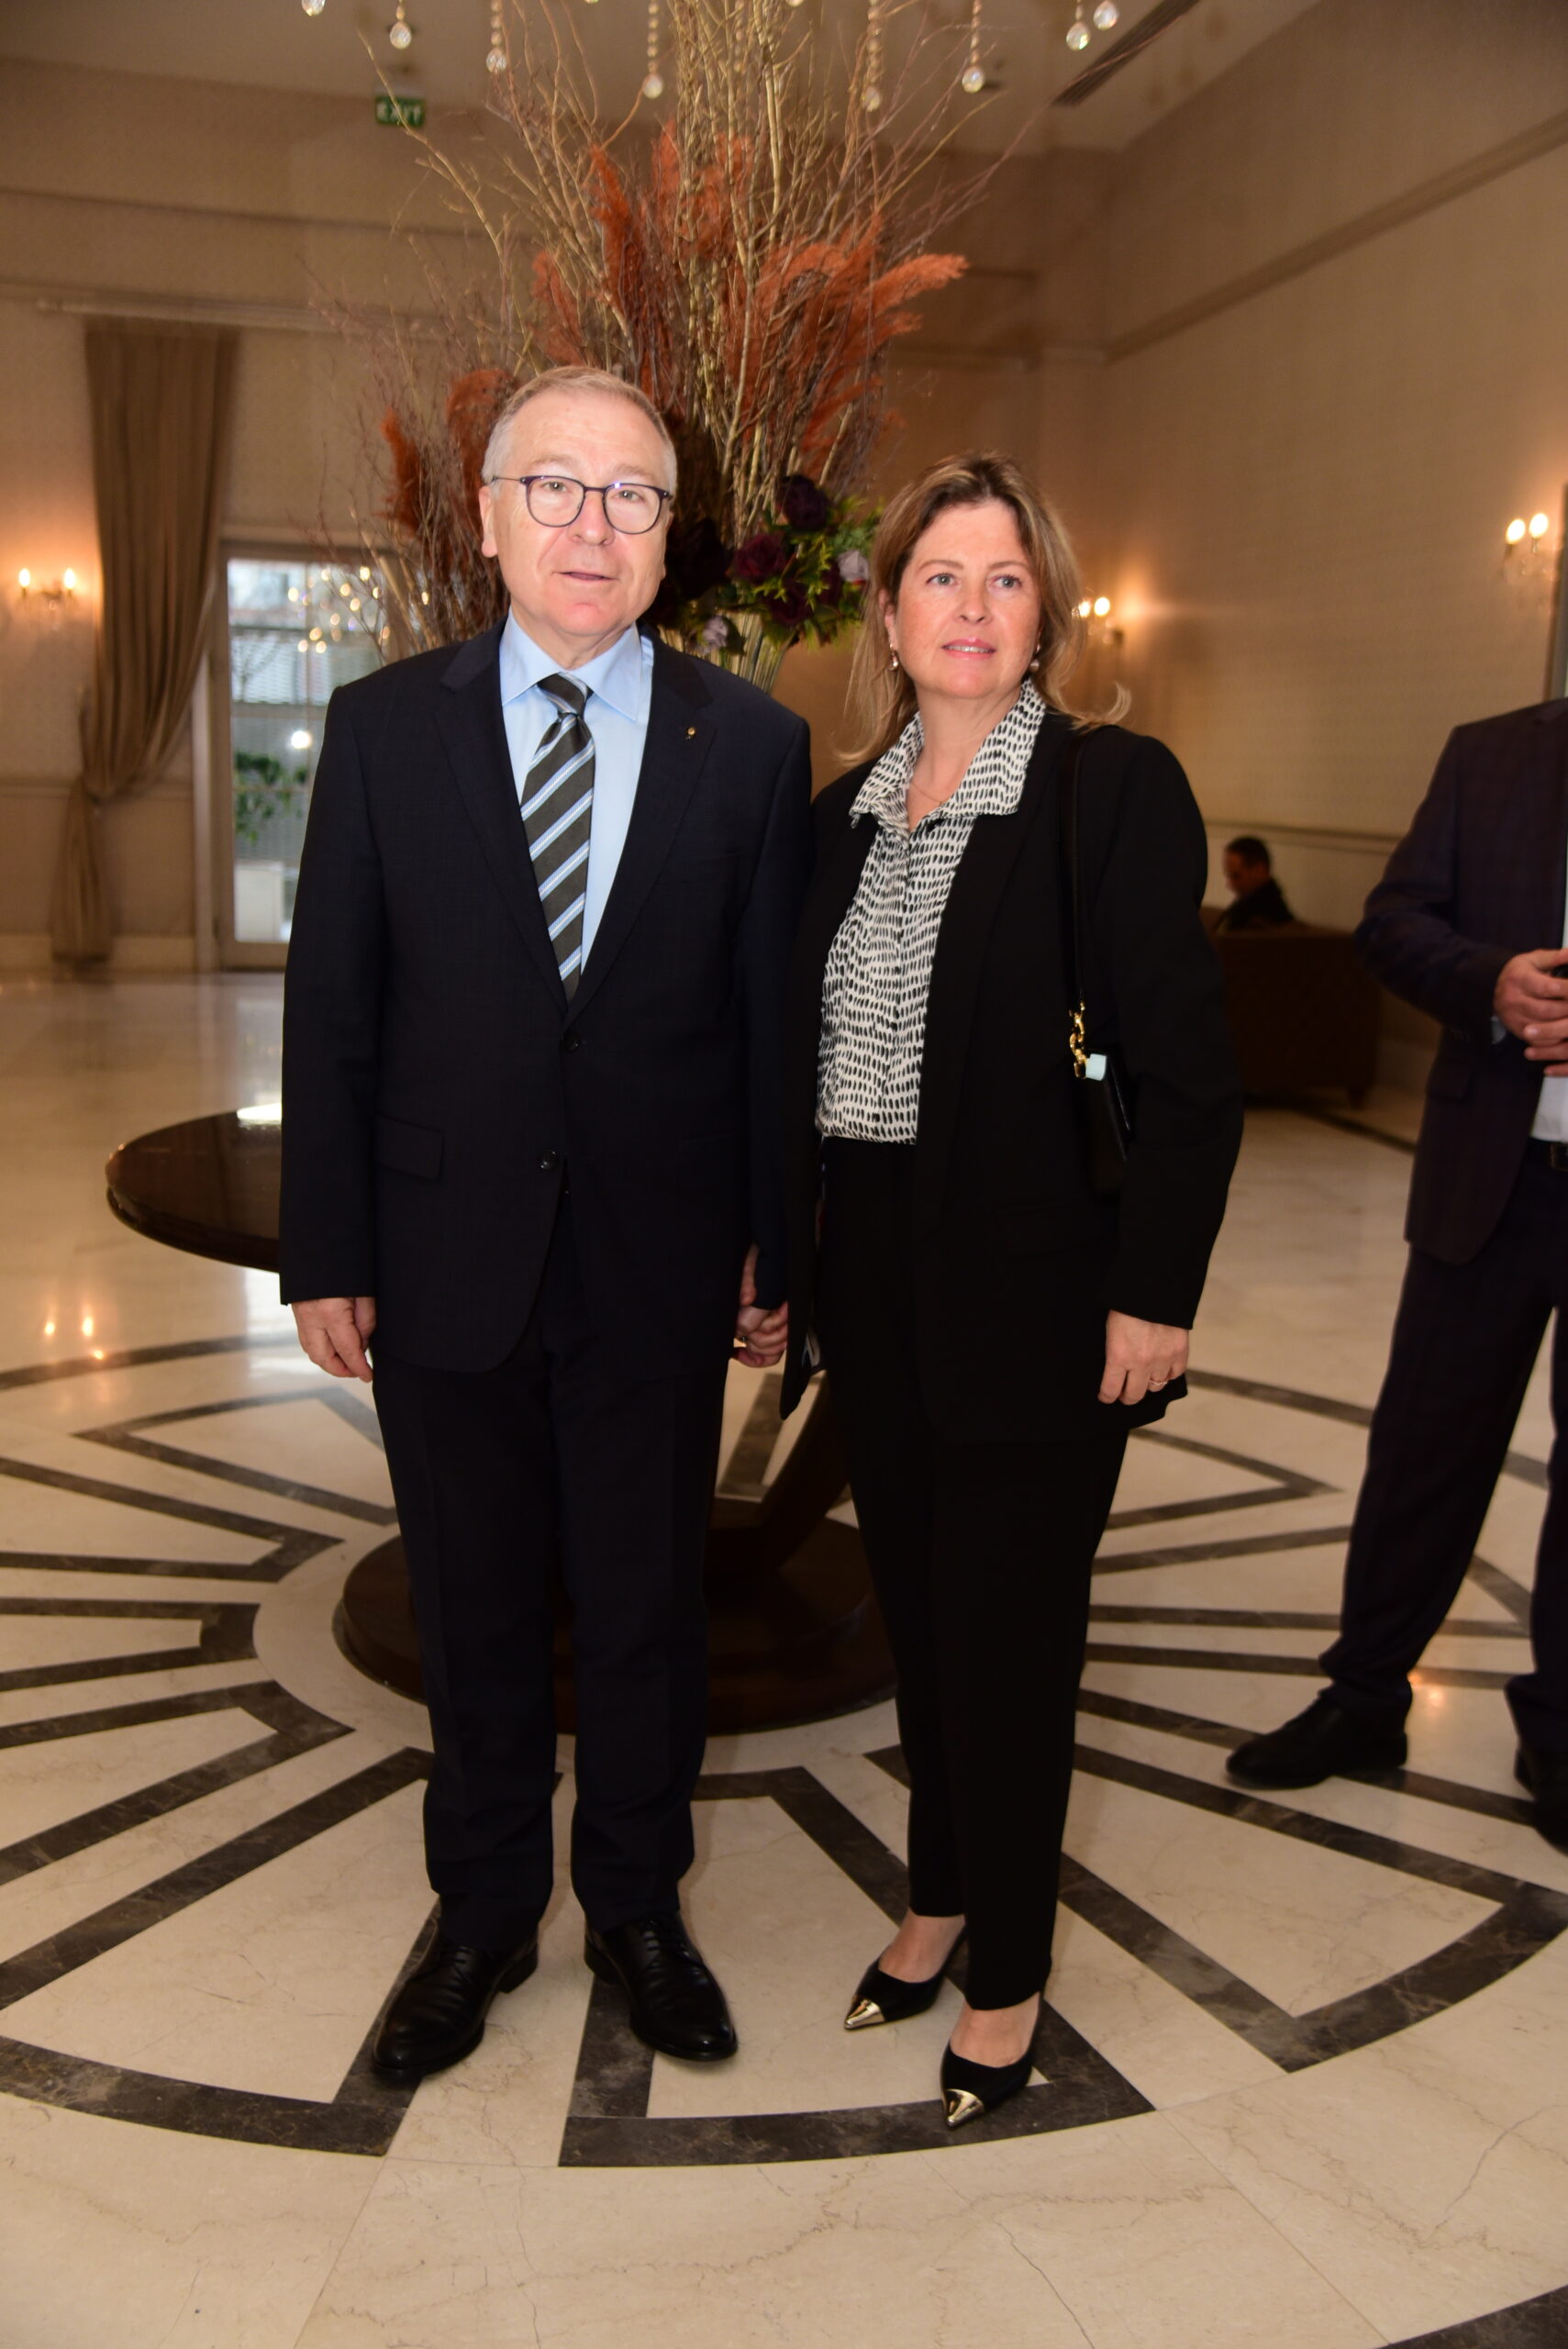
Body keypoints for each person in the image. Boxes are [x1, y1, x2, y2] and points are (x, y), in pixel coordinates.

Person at [280, 366, 811, 2081]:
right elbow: (334, 1009)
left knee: (649, 1608)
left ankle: (639, 1908)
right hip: (443, 1255)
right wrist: (326, 1248)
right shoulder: (385, 728)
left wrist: (774, 1241)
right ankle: (483, 1910)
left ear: (671, 535)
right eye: (556, 487)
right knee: (473, 1602)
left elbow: (770, 1026)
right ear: (490, 517)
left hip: (658, 1261)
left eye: (631, 494)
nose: (593, 525)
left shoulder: (753, 747)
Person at [780, 452, 1242, 2127]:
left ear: (1043, 611)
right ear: (888, 613)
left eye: (1003, 578)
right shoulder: (839, 819)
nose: (969, 609)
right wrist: (786, 1270)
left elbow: (1184, 1074)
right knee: (918, 1616)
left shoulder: (1107, 791)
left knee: (1013, 1642)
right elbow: (802, 1075)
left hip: (1043, 1298)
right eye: (939, 577)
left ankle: (1007, 1971)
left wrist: (1153, 1293)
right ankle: (935, 1894)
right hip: (875, 1285)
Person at [1229, 698, 1568, 1854]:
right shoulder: (1491, 753)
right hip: (1488, 1180)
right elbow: (1390, 924)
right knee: (1425, 1446)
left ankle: (1559, 1731)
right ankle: (1364, 1695)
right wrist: (1490, 982)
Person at [1215, 833, 1294, 930]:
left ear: (1259, 870)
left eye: (1236, 876)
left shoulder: (1263, 916)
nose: (1230, 884)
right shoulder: (1247, 904)